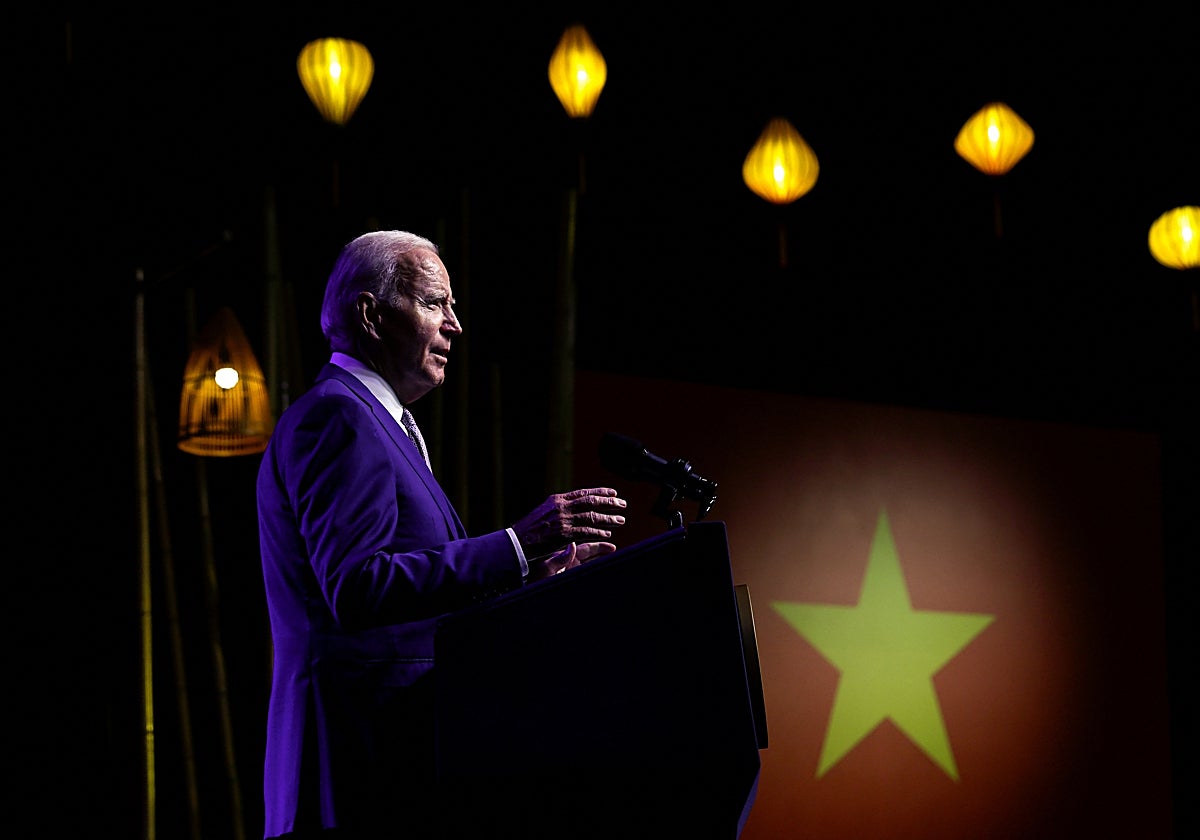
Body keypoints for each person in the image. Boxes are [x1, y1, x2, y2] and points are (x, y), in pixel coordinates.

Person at [255, 229, 628, 839]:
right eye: (434, 303)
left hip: (397, 757)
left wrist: (533, 577)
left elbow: (417, 589)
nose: (455, 325)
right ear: (371, 314)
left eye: (452, 306)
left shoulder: (385, 423)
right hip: (351, 764)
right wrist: (516, 543)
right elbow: (356, 586)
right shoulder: (339, 415)